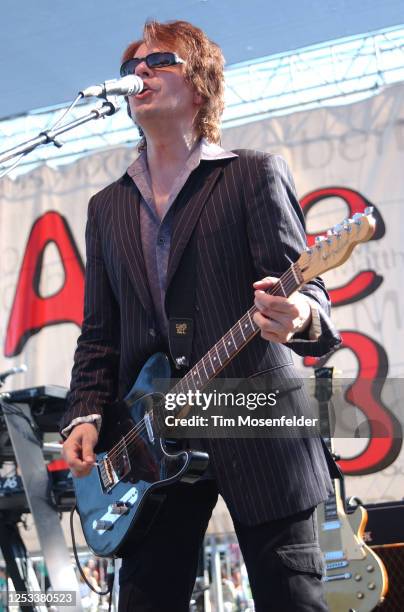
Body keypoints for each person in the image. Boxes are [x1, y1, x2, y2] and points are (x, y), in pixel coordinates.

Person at [61, 19, 341, 612]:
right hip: (152, 438)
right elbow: (100, 333)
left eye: (159, 61)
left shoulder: (253, 174)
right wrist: (84, 412)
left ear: (202, 85)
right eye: (131, 66)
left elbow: (313, 297)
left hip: (256, 415)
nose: (140, 73)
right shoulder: (106, 207)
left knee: (292, 598)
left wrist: (299, 319)